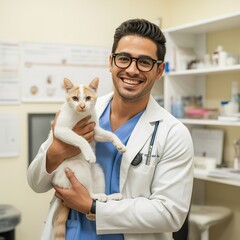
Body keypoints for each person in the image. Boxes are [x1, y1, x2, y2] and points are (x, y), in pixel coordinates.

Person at [27, 18, 194, 240]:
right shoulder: (80, 112)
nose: (132, 70)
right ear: (111, 62)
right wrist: (57, 150)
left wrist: (93, 206)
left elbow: (170, 214)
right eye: (124, 59)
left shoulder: (174, 133)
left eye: (144, 62)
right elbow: (36, 183)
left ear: (159, 70)